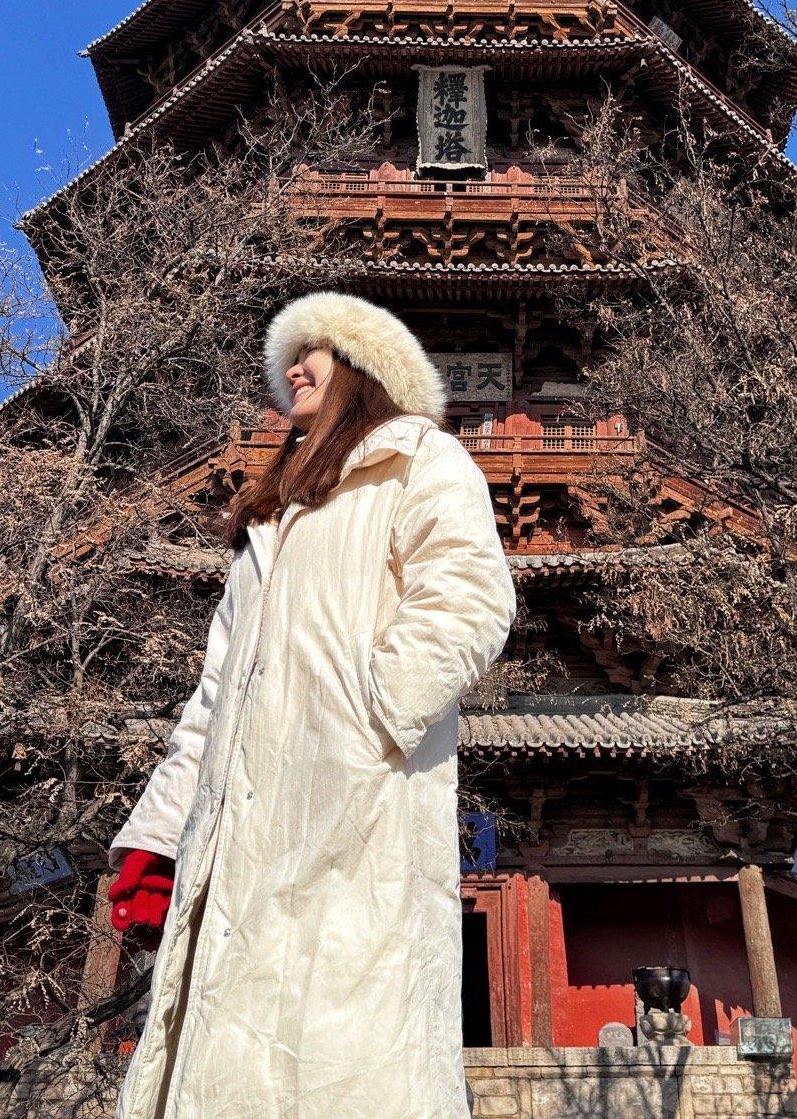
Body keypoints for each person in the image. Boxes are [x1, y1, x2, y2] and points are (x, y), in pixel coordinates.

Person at [107, 291, 516, 1119]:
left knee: (343, 1059)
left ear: (365, 368)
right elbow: (216, 695)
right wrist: (157, 839)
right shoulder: (272, 524)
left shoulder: (422, 464)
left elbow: (470, 599)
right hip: (240, 835)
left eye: (315, 348)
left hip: (352, 819)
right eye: (285, 354)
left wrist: (367, 729)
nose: (292, 364)